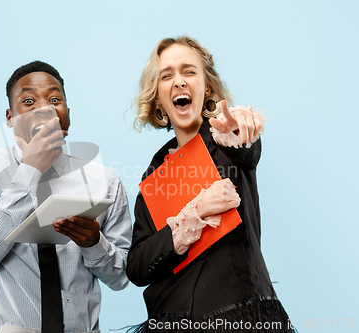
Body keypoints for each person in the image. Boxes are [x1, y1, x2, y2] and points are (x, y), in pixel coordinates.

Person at [126, 36, 295, 332]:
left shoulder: (226, 143)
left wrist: (241, 125)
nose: (179, 81)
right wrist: (195, 213)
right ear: (158, 99)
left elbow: (244, 143)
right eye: (167, 75)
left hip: (239, 317)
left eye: (189, 72)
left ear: (207, 89)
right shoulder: (154, 174)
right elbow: (138, 266)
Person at [0, 60, 132, 333]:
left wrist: (94, 243)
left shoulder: (105, 181)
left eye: (54, 99)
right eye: (28, 101)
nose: (44, 108)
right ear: (10, 117)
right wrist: (30, 171)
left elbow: (121, 278)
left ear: (67, 114)